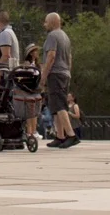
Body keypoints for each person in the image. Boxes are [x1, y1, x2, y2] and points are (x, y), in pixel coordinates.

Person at [39, 12, 76, 148]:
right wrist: (68, 72)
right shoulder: (65, 36)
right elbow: (70, 57)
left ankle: (71, 135)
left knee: (59, 105)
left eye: (46, 22)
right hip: (64, 73)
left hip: (55, 74)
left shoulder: (52, 36)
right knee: (55, 105)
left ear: (53, 22)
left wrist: (43, 76)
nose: (44, 24)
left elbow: (51, 56)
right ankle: (60, 136)